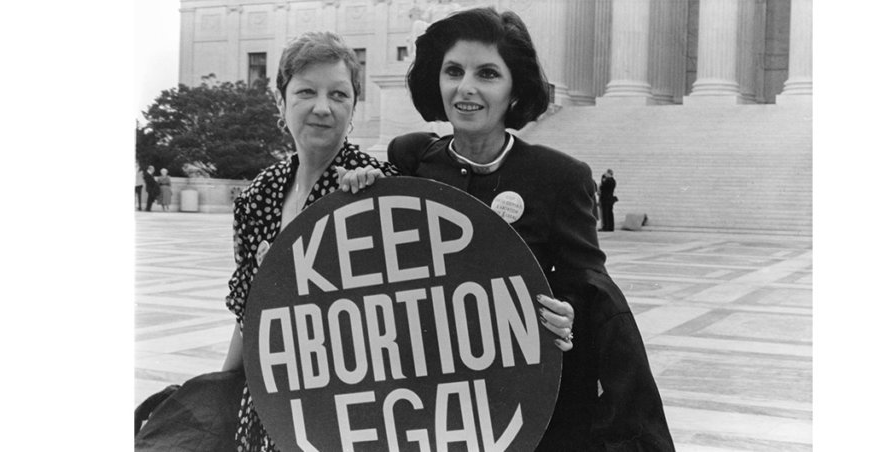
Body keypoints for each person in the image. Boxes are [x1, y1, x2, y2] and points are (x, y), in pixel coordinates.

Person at [339, 8, 674, 451]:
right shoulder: (411, 160)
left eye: (488, 74)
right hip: (429, 400)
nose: (466, 88)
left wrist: (569, 310)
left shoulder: (561, 176)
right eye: (453, 71)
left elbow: (587, 281)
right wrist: (361, 190)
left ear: (515, 88)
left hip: (522, 405)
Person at [218, 31, 399, 451]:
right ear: (281, 102)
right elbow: (248, 319)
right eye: (306, 92)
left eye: (339, 94)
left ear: (354, 107)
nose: (322, 108)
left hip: (352, 412)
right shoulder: (257, 197)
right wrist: (218, 395)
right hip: (270, 406)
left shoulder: (378, 189)